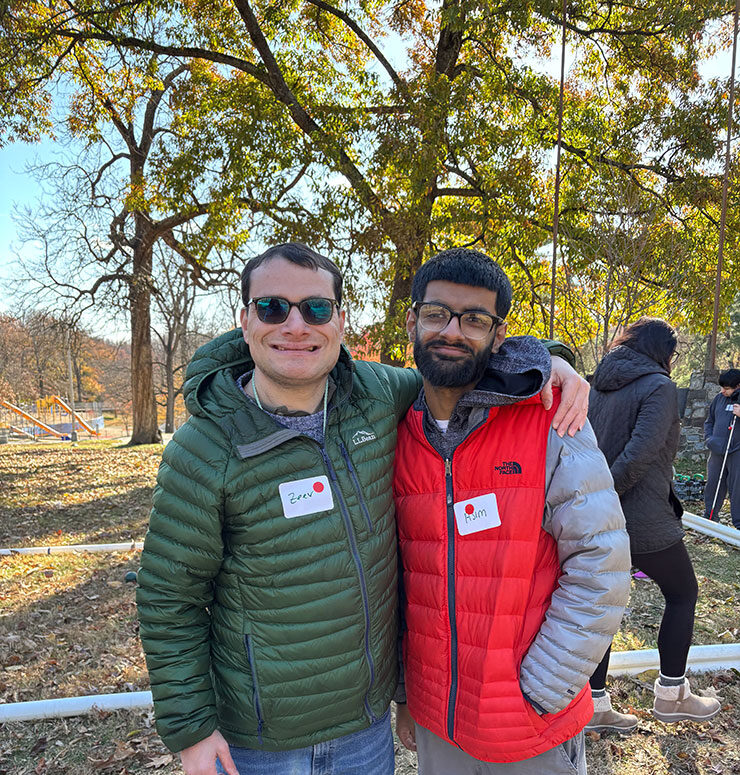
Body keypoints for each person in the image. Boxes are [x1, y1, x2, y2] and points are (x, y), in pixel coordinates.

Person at [136, 242, 589, 775]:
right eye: (272, 307)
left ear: (341, 319)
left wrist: (549, 362)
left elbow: (455, 361)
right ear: (244, 319)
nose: (296, 325)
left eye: (316, 308)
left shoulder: (377, 396)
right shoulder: (202, 451)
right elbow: (170, 600)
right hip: (260, 741)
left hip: (365, 732)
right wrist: (192, 730)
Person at [393, 248, 631, 775]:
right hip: (440, 721)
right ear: (412, 320)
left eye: (474, 319)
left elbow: (602, 567)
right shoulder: (395, 430)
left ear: (498, 335)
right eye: (437, 313)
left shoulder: (549, 418)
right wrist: (409, 694)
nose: (452, 331)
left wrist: (541, 690)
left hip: (529, 727)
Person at [584, 318, 722, 731]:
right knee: (683, 593)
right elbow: (639, 456)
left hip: (595, 512)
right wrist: (609, 497)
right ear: (664, 351)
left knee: (605, 608)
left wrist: (593, 502)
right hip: (640, 518)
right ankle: (672, 695)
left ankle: (592, 706)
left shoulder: (599, 384)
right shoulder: (659, 387)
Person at [704, 368, 740, 528]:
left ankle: (738, 524)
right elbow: (709, 421)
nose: (722, 391)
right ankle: (709, 517)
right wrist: (709, 439)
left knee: (736, 488)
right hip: (717, 450)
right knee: (712, 483)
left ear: (738, 386)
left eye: (726, 388)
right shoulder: (719, 399)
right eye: (722, 387)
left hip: (736, 452)